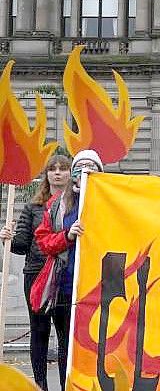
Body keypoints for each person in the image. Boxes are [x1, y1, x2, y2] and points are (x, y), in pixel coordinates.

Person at [34, 149, 103, 389]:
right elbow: (43, 242)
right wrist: (67, 235)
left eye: (91, 167)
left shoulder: (111, 202)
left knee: (97, 345)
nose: (85, 172)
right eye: (80, 167)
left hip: (100, 288)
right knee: (67, 346)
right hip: (66, 286)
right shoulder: (57, 205)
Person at [0, 155, 70, 391]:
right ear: (46, 174)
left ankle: (65, 385)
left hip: (65, 277)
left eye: (63, 169)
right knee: (39, 332)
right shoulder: (33, 207)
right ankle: (40, 385)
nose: (57, 173)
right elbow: (20, 246)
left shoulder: (78, 205)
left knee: (64, 336)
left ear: (70, 174)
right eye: (53, 169)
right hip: (36, 275)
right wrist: (7, 238)